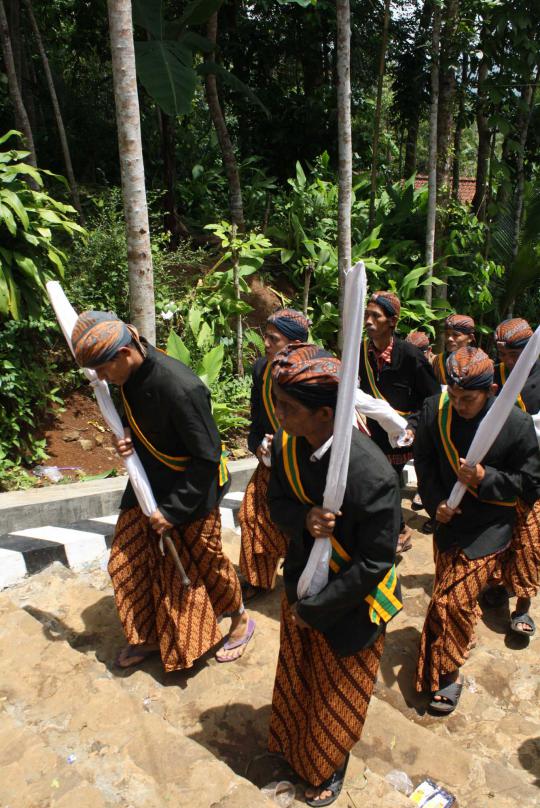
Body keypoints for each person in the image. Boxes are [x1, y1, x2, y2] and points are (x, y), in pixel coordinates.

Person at [71, 311, 254, 670]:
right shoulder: (128, 372)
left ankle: (240, 619)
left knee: (206, 561)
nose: (103, 380)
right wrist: (127, 433)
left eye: (105, 371)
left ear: (124, 354)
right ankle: (150, 635)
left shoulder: (180, 387)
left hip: (192, 489)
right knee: (126, 561)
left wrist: (172, 511)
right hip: (147, 481)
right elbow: (137, 416)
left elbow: (206, 457)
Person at [267, 344, 401, 806]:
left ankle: (327, 762)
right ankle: (292, 743)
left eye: (288, 407)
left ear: (326, 414)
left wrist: (318, 610)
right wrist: (304, 518)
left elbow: (375, 561)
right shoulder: (288, 445)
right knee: (299, 675)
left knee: (334, 694)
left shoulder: (374, 473)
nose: (277, 414)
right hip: (302, 583)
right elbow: (276, 505)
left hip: (352, 607)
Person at [414, 347, 540, 714]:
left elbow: (531, 485)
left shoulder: (514, 426)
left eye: (467, 398)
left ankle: (449, 671)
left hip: (490, 527)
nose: (458, 405)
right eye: (452, 396)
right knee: (448, 598)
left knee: (451, 601)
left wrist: (487, 479)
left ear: (490, 390)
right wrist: (436, 500)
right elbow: (424, 460)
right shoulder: (434, 412)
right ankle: (448, 650)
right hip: (448, 524)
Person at [239, 308, 311, 601]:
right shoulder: (261, 369)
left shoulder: (312, 374)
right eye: (265, 336)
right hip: (271, 461)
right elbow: (257, 418)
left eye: (274, 338)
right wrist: (257, 445)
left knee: (303, 524)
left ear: (295, 344)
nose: (266, 343)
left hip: (304, 464)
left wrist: (282, 441)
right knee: (251, 514)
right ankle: (258, 578)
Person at [359, 291, 439, 552]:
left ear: (392, 322)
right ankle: (398, 529)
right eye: (367, 314)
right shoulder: (361, 352)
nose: (368, 321)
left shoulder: (410, 357)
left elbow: (433, 399)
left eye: (376, 316)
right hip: (376, 434)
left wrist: (414, 427)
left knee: (425, 482)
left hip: (408, 432)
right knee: (384, 482)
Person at [484, 318, 540, 635]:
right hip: (501, 473)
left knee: (529, 545)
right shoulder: (495, 373)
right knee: (500, 539)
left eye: (513, 355)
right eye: (503, 354)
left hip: (534, 479)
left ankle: (523, 607)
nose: (507, 362)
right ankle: (500, 587)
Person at [432, 314, 476, 385]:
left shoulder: (480, 361)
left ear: (470, 338)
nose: (449, 339)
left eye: (456, 335)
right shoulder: (438, 361)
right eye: (447, 334)